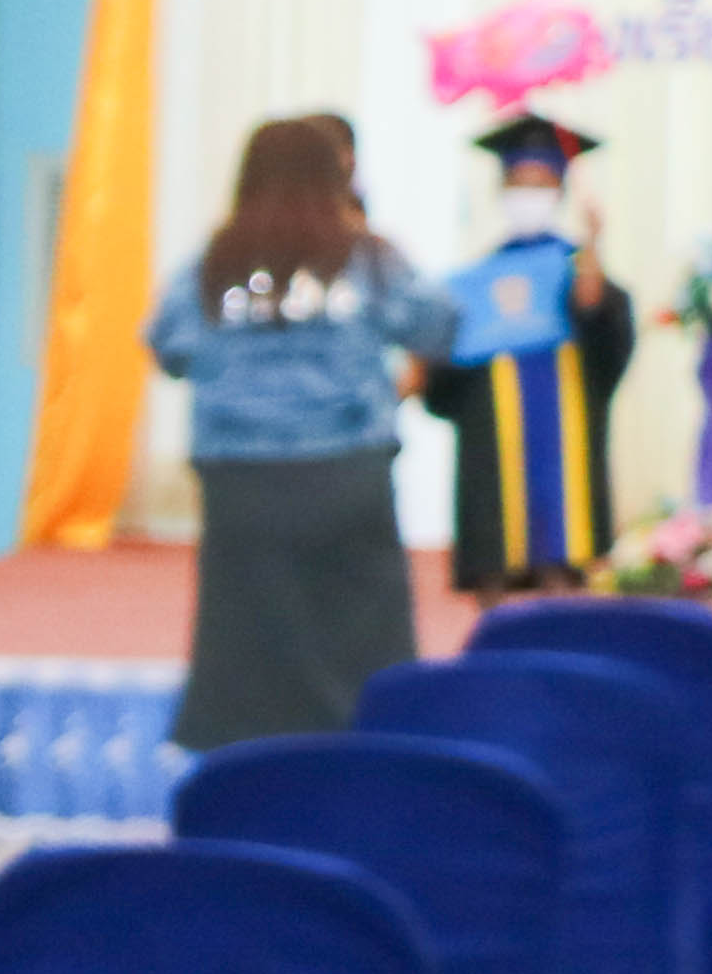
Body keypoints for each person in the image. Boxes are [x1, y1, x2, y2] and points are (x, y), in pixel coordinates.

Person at [146, 112, 443, 748]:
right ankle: (369, 765)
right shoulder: (369, 257)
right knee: (364, 646)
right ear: (336, 178)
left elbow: (167, 346)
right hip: (346, 474)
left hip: (240, 484)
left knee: (245, 649)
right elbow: (437, 324)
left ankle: (249, 773)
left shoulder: (212, 263)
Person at [428, 112, 632, 593]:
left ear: (560, 190)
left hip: (564, 420)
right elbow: (445, 378)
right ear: (500, 188)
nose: (528, 195)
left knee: (564, 542)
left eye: (540, 184)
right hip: (490, 430)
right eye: (518, 182)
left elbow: (607, 343)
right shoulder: (475, 279)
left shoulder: (576, 267)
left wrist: (592, 264)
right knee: (494, 541)